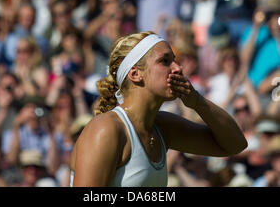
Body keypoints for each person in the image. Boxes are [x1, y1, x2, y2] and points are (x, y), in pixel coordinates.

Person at [71, 31, 247, 187]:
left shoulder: (163, 126)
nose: (178, 68)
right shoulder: (106, 129)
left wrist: (198, 102)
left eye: (175, 61)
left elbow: (235, 144)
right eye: (165, 61)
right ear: (135, 74)